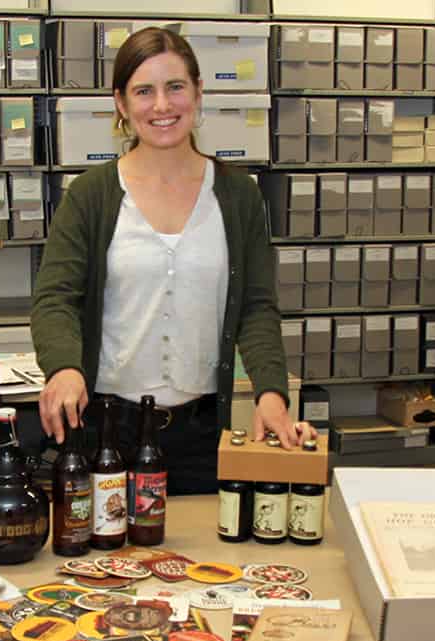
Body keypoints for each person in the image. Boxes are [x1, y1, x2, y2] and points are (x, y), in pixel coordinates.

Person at [31, 27, 314, 495]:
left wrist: (270, 393)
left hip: (203, 432)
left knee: (206, 562)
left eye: (175, 87)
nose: (162, 106)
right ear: (121, 103)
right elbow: (55, 297)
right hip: (108, 432)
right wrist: (63, 367)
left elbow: (257, 307)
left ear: (198, 93)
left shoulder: (239, 196)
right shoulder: (90, 195)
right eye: (144, 91)